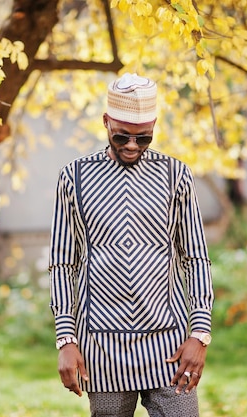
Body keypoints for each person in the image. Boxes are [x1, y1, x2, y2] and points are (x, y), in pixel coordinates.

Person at [49, 73, 214, 417]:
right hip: (102, 348)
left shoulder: (175, 175)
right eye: (121, 135)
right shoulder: (74, 178)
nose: (131, 146)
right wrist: (66, 340)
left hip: (169, 345)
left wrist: (199, 334)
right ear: (106, 121)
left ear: (154, 125)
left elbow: (196, 257)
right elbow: (63, 264)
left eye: (144, 138)